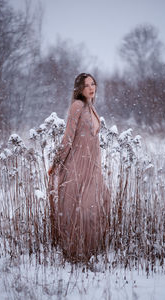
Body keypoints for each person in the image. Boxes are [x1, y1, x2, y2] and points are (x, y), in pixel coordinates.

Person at [48, 73, 110, 263]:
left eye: (93, 84)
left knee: (99, 202)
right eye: (86, 85)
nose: (91, 88)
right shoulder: (77, 106)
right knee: (80, 207)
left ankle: (90, 249)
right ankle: (75, 252)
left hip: (92, 165)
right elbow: (68, 136)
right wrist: (57, 162)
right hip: (77, 164)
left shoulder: (91, 107)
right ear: (79, 89)